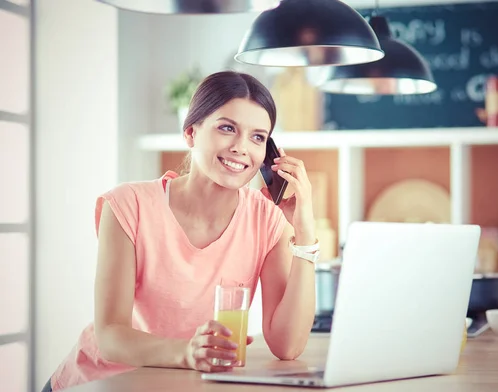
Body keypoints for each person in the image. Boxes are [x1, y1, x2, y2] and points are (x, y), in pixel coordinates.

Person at [42, 71, 318, 392]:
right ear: (191, 133)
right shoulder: (127, 204)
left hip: (179, 384)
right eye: (227, 128)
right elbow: (110, 336)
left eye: (258, 137)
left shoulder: (267, 220)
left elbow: (288, 346)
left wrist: (305, 229)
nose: (242, 148)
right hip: (98, 382)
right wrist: (186, 352)